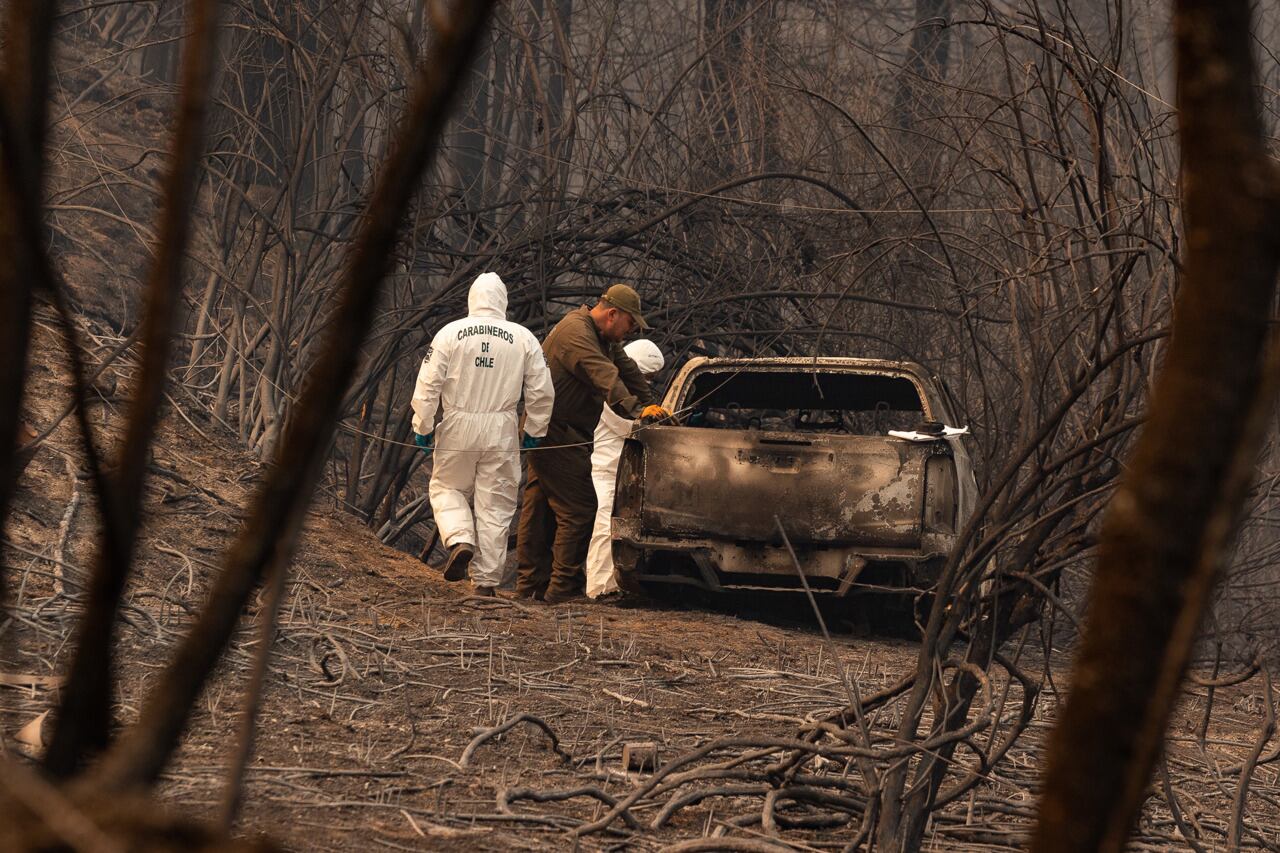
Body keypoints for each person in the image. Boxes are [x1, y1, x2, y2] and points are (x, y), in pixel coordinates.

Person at [515, 285, 671, 604]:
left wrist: (654, 404)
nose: (631, 331)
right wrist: (637, 410)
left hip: (559, 431)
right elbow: (605, 377)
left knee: (541, 505)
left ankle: (531, 584)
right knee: (580, 507)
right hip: (553, 432)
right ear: (612, 314)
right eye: (630, 324)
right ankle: (563, 588)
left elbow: (626, 370)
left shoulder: (604, 336)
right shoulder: (577, 333)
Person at [411, 272, 554, 596]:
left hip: (458, 424)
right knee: (497, 503)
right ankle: (486, 584)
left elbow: (428, 382)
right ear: (502, 301)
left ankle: (460, 538)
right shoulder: (523, 338)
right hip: (501, 428)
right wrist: (535, 429)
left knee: (447, 487)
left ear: (472, 298)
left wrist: (423, 424)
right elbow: (542, 390)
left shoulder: (450, 334)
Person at [585, 339, 665, 599]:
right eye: (647, 377)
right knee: (603, 527)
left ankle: (613, 585)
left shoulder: (630, 395)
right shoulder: (611, 394)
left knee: (616, 531)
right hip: (603, 470)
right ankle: (599, 588)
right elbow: (629, 426)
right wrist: (651, 421)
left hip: (621, 474)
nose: (649, 382)